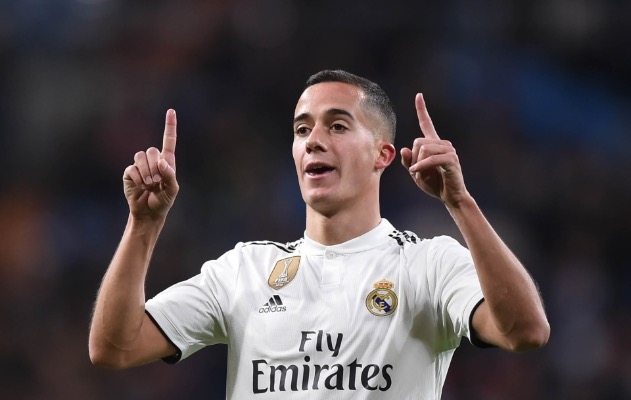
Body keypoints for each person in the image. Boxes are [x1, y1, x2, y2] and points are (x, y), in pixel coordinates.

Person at [89, 70, 550, 399]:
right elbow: (115, 347)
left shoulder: (429, 265)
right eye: (302, 129)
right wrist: (143, 226)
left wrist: (460, 203)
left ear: (382, 155)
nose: (312, 140)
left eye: (337, 125)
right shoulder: (244, 269)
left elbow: (525, 331)